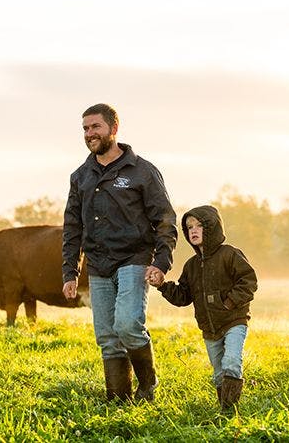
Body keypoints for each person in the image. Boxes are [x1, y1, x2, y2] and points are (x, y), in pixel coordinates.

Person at [62, 103, 177, 402]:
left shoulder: (142, 171)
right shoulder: (80, 176)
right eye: (85, 129)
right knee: (107, 338)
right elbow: (72, 227)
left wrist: (162, 261)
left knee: (127, 324)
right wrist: (70, 272)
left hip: (133, 259)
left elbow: (165, 219)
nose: (89, 134)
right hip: (98, 265)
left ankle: (148, 384)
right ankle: (118, 398)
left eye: (95, 127)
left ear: (114, 128)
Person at [148, 205, 257, 410]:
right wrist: (162, 285)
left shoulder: (230, 254)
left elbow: (249, 281)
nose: (194, 230)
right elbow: (183, 296)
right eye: (189, 227)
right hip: (209, 328)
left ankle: (230, 411)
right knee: (218, 374)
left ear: (212, 228)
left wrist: (229, 303)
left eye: (199, 225)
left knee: (231, 362)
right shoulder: (191, 265)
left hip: (234, 321)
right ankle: (224, 410)